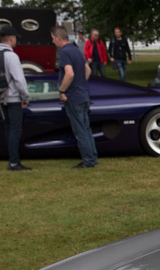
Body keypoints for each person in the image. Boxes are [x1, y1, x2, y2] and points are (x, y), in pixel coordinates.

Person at [52, 26, 97, 169]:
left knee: (80, 130)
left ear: (58, 37)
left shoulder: (64, 52)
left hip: (73, 96)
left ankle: (88, 160)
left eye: (53, 38)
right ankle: (92, 157)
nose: (53, 42)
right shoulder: (76, 50)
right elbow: (87, 70)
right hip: (83, 94)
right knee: (86, 128)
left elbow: (69, 73)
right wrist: (81, 84)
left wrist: (62, 90)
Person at [0, 25, 31, 171]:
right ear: (12, 38)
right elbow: (19, 79)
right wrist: (25, 97)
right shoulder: (11, 56)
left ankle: (11, 158)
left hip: (0, 96)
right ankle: (14, 162)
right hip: (13, 97)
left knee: (8, 128)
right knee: (15, 129)